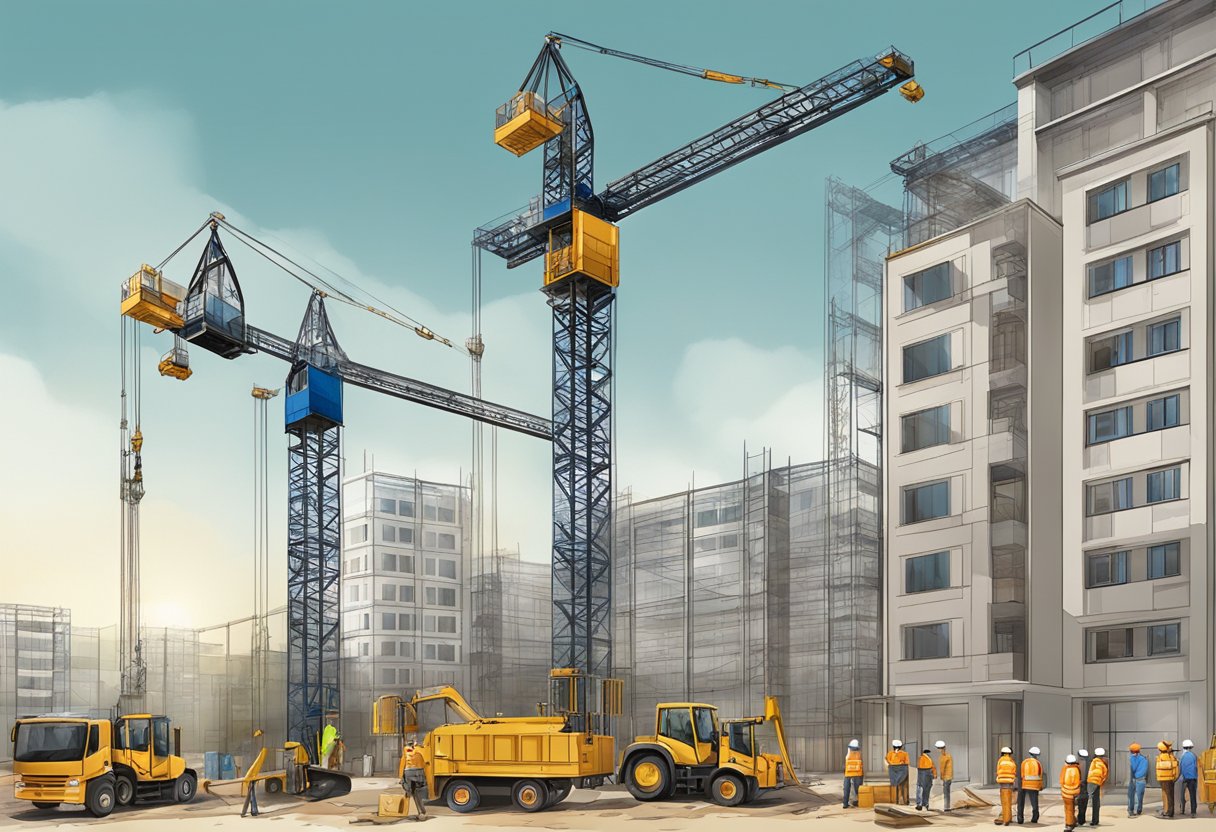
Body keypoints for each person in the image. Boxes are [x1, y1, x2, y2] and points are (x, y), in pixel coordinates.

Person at [400, 738, 427, 820]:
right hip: (419, 772)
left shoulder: (406, 750)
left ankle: (407, 811)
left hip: (408, 772)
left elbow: (402, 763)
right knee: (416, 792)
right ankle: (422, 812)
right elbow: (424, 762)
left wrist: (400, 776)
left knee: (408, 792)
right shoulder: (419, 750)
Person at [1017, 746, 1043, 824]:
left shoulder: (1024, 762)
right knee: (1034, 803)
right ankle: (1034, 818)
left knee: (1020, 802)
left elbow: (1021, 774)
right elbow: (1040, 776)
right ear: (1037, 755)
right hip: (1034, 786)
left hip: (1024, 784)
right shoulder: (1038, 764)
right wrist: (1040, 786)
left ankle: (1020, 819)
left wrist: (1020, 786)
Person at [995, 746, 1018, 826]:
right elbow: (1014, 771)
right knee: (1009, 801)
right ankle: (1009, 818)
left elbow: (998, 771)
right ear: (1009, 753)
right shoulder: (1012, 761)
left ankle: (1006, 820)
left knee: (1004, 802)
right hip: (1010, 782)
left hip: (1002, 783)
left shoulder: (1000, 760)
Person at [1156, 740, 1179, 818]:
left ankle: (1167, 812)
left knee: (1166, 796)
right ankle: (1170, 811)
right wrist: (1174, 778)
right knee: (1170, 796)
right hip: (1170, 779)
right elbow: (1176, 769)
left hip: (1163, 780)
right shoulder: (1171, 757)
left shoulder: (1161, 757)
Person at [1086, 747, 1108, 826]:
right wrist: (1101, 783)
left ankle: (1092, 820)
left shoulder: (1092, 762)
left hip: (1091, 783)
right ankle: (1095, 820)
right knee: (1096, 803)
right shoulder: (1103, 764)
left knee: (1089, 801)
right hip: (1097, 783)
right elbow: (1105, 775)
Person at [1061, 755, 1083, 832]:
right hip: (1076, 792)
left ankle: (1069, 825)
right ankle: (1073, 821)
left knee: (1068, 809)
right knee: (1073, 809)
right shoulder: (1077, 769)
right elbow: (1079, 781)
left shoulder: (1065, 769)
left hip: (1066, 793)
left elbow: (1062, 781)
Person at [1126, 743, 1148, 817]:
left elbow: (1133, 768)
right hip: (1141, 779)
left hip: (1133, 779)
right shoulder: (1144, 759)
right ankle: (1138, 810)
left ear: (1131, 751)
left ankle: (1131, 810)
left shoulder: (1132, 758)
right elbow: (1145, 770)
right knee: (1139, 796)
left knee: (1131, 795)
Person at [886, 740, 910, 805]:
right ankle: (904, 801)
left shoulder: (890, 754)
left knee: (898, 787)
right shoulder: (904, 754)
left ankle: (898, 801)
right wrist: (901, 763)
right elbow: (907, 762)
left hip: (897, 773)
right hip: (903, 772)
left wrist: (893, 764)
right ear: (901, 746)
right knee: (903, 787)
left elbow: (888, 761)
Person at [1178, 739, 1198, 818]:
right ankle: (1193, 812)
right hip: (1192, 778)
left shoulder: (1182, 756)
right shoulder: (1193, 756)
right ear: (1190, 747)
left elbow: (1180, 767)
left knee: (1182, 795)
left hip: (1184, 778)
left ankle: (1182, 810)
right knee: (1192, 795)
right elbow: (1196, 767)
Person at [843, 739, 864, 809]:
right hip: (857, 773)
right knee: (858, 789)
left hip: (848, 773)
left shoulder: (848, 754)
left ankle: (845, 804)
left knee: (846, 789)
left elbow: (847, 758)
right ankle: (860, 802)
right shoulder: (859, 754)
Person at [916, 745, 937, 810]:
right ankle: (925, 803)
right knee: (926, 788)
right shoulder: (928, 759)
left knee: (920, 788)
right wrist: (934, 775)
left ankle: (920, 804)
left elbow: (919, 767)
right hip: (927, 773)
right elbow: (933, 767)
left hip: (923, 773)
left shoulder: (922, 758)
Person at [937, 740, 954, 812]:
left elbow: (942, 767)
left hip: (946, 777)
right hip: (949, 777)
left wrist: (941, 776)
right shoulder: (949, 755)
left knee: (946, 793)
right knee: (947, 793)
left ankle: (946, 807)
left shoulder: (944, 757)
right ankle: (947, 806)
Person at [1075, 749, 1091, 824]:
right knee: (1084, 801)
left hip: (1080, 785)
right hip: (1087, 784)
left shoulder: (1077, 764)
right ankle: (1082, 817)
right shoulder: (1090, 763)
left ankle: (1080, 818)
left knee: (1080, 801)